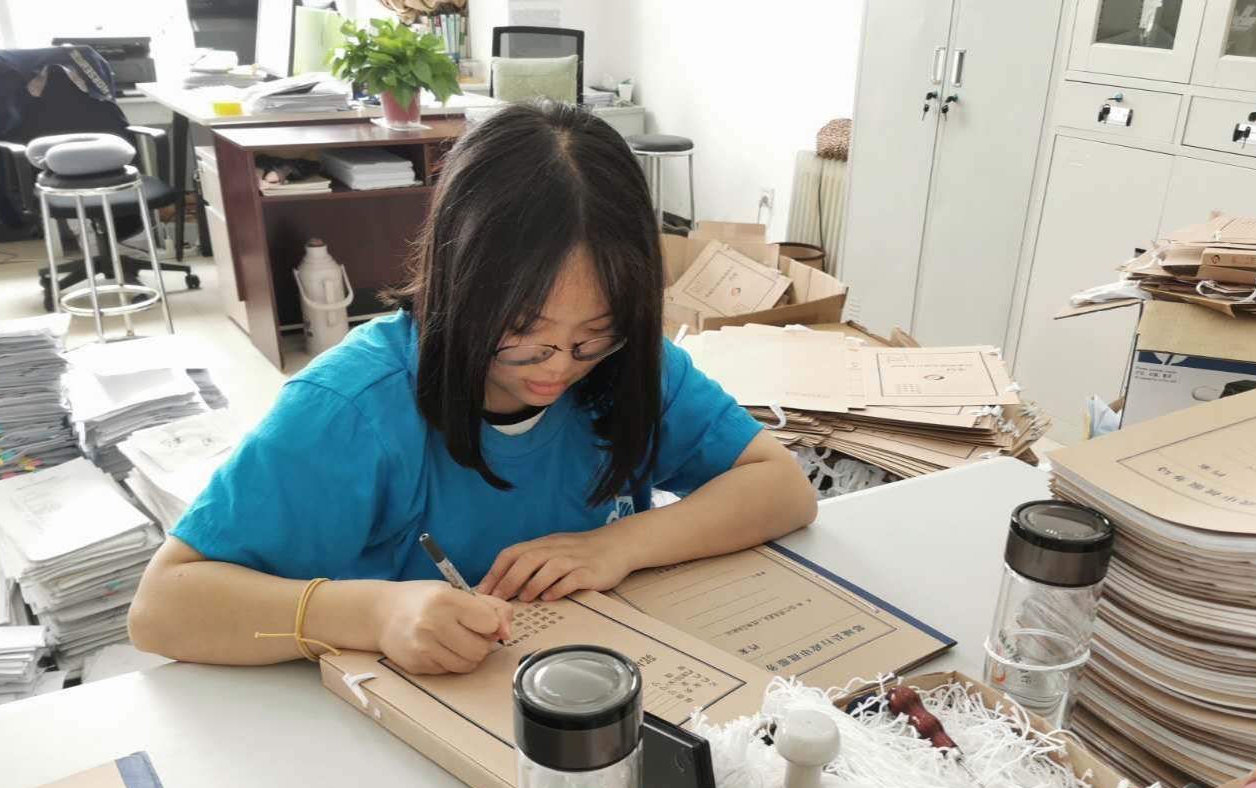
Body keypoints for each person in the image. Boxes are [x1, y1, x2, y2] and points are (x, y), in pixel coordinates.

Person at [129, 102, 817, 674]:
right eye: (523, 332)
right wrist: (373, 613)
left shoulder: (628, 366)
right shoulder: (353, 408)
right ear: (457, 283)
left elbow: (782, 486)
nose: (558, 367)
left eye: (593, 334)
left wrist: (620, 545)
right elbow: (163, 607)